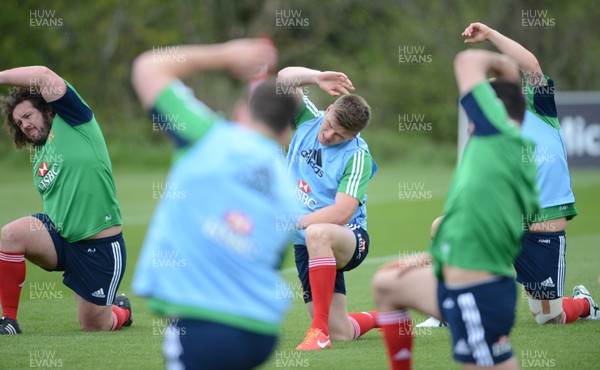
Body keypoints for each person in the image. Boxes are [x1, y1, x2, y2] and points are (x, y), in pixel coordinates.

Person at [131, 39, 299, 369]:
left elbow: (147, 67)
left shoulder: (207, 137)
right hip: (260, 331)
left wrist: (225, 56)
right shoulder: (288, 191)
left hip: (204, 322)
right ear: (285, 134)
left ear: (240, 112)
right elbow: (269, 260)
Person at [372, 49, 540, 369]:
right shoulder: (506, 149)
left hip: (476, 294)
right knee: (386, 283)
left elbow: (466, 60)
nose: (470, 119)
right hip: (457, 283)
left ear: (496, 112)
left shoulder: (499, 139)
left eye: (480, 106)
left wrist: (504, 65)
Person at [461, 22, 599, 324]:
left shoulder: (539, 108)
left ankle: (584, 304)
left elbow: (531, 64)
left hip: (545, 223)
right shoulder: (486, 134)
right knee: (443, 229)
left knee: (548, 316)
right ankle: (446, 311)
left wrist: (492, 35)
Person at [0, 67, 132, 334]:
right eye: (18, 122)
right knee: (10, 235)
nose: (24, 124)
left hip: (99, 246)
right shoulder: (39, 154)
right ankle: (9, 321)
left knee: (95, 326)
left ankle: (121, 311)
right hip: (60, 238)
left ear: (48, 110)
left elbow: (45, 75)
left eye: (27, 115)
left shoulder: (75, 120)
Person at [277, 67, 378, 350]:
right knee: (342, 331)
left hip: (348, 239)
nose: (329, 134)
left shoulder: (357, 155)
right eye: (330, 124)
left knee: (318, 232)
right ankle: (386, 316)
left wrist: (295, 220)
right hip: (306, 242)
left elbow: (342, 213)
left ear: (354, 135)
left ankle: (317, 333)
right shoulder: (311, 119)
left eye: (340, 134)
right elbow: (283, 79)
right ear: (329, 108)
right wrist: (317, 77)